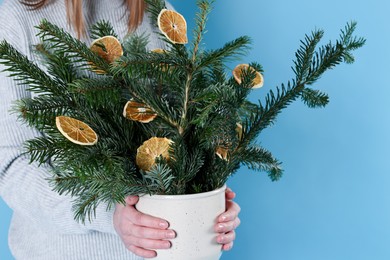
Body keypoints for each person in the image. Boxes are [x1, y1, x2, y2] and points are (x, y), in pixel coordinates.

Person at [0, 0, 241, 259]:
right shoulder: (17, 17)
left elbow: (184, 133)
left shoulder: (156, 10)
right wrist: (109, 213)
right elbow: (11, 165)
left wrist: (208, 203)